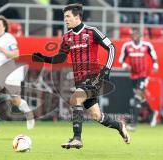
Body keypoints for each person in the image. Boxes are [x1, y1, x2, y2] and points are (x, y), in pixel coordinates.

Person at [32, 3, 130, 149]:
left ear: (77, 17)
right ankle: (119, 126)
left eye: (67, 16)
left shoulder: (92, 31)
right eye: (64, 17)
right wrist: (44, 58)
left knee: (75, 98)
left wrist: (107, 70)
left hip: (94, 78)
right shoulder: (67, 37)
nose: (65, 19)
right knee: (97, 116)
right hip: (80, 82)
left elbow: (111, 47)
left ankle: (77, 138)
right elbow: (60, 58)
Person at [0, 15, 34, 133]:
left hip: (10, 71)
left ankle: (28, 111)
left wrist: (1, 48)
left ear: (4, 27)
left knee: (15, 100)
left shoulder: (9, 38)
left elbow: (16, 54)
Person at [119, 28, 159, 131]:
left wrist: (155, 65)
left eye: (137, 34)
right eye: (134, 34)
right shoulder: (127, 46)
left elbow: (154, 56)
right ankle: (152, 112)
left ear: (140, 35)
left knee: (137, 98)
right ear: (131, 35)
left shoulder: (146, 45)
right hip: (133, 76)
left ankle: (134, 124)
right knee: (141, 98)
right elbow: (121, 60)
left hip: (144, 75)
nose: (135, 35)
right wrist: (125, 66)